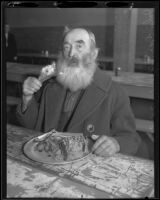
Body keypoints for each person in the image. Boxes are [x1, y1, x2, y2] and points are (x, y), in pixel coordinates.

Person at [16, 27, 141, 157]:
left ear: (93, 54)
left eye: (79, 46)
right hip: (48, 159)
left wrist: (116, 143)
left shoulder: (114, 93)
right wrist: (27, 98)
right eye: (66, 47)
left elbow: (131, 139)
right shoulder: (49, 87)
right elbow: (32, 129)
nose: (71, 54)